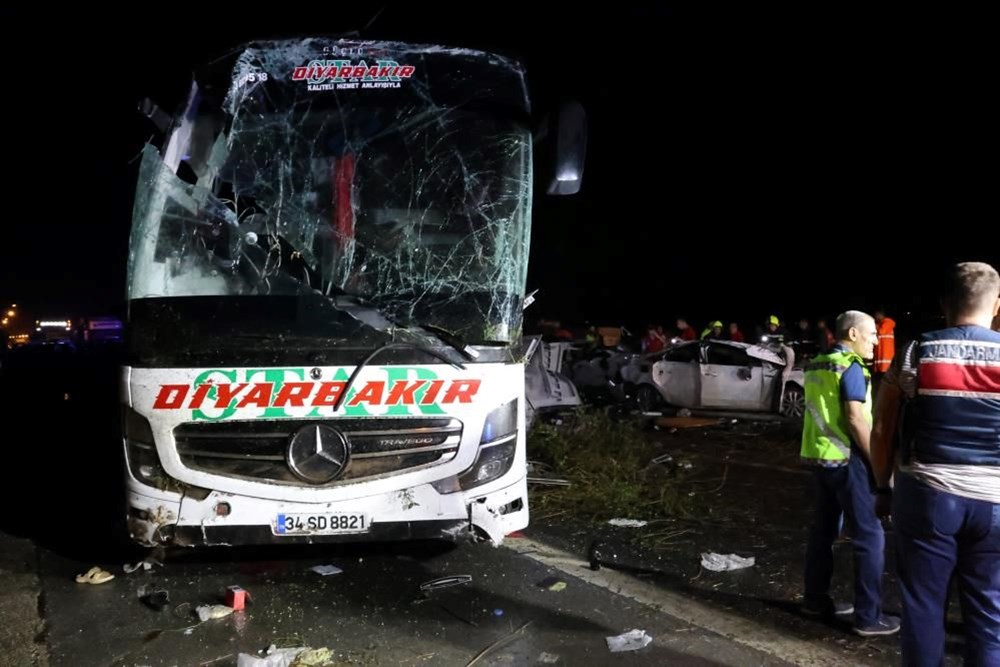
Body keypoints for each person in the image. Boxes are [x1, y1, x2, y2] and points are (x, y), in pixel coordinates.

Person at [870, 261, 1000, 665]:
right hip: (996, 503)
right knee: (989, 619)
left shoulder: (915, 351)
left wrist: (881, 486)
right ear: (997, 306)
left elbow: (882, 428)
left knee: (923, 610)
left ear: (944, 302)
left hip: (926, 496)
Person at [800, 310, 899, 636]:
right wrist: (879, 464)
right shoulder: (851, 366)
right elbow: (856, 419)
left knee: (823, 532)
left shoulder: (818, 362)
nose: (875, 341)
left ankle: (814, 600)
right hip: (848, 460)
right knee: (870, 538)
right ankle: (869, 617)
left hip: (819, 458)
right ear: (853, 334)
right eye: (871, 335)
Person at [872, 308, 896, 395]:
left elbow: (881, 331)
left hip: (886, 363)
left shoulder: (888, 322)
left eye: (876, 315)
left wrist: (874, 326)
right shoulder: (881, 325)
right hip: (880, 363)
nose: (875, 317)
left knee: (885, 384)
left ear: (880, 315)